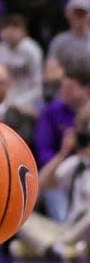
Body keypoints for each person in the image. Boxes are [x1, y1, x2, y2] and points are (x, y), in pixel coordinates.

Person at [11, 107, 90, 261]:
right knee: (17, 217)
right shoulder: (75, 164)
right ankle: (60, 248)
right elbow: (40, 185)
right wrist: (63, 153)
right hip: (68, 229)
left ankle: (48, 247)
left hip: (86, 232)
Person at [34, 59, 90, 223]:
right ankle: (65, 231)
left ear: (86, 89)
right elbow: (43, 157)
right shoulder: (51, 111)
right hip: (64, 169)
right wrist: (64, 152)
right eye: (62, 86)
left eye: (70, 88)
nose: (63, 92)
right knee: (53, 189)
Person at [0, 14, 44, 116]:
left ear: (24, 31)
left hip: (27, 99)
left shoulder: (32, 51)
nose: (10, 32)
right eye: (5, 28)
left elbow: (38, 88)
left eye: (15, 28)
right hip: (0, 101)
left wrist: (17, 103)